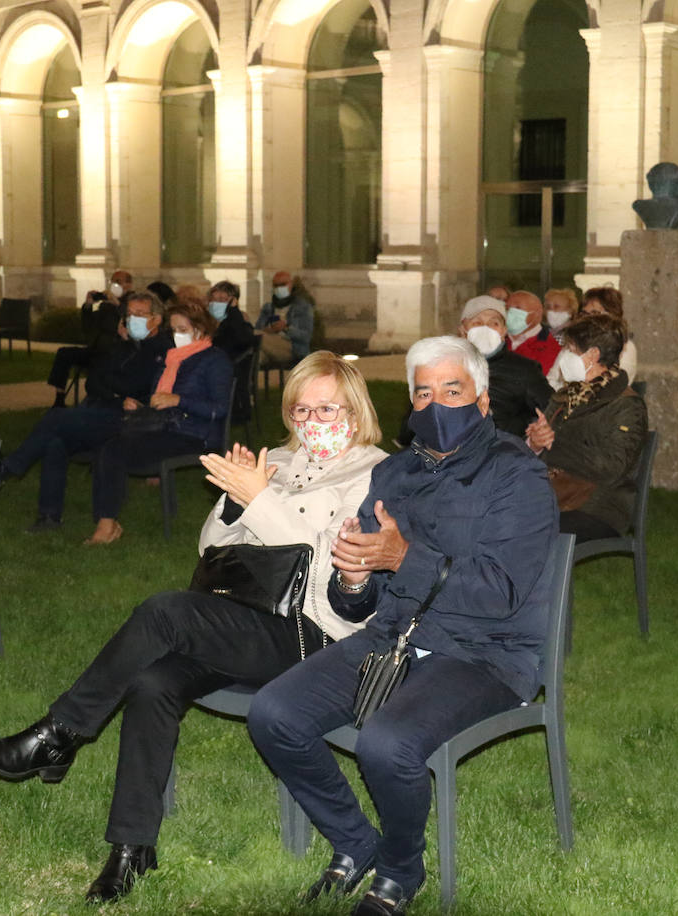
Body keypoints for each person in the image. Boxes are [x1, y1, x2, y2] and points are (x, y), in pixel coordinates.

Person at [0, 352, 388, 904]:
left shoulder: (378, 474)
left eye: (325, 409)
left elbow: (326, 558)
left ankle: (59, 734)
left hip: (313, 636)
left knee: (167, 611)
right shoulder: (281, 461)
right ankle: (131, 849)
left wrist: (259, 497)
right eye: (300, 410)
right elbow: (211, 548)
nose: (311, 422)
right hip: (243, 620)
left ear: (354, 412)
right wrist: (239, 504)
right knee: (153, 681)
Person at [246, 335, 558, 916]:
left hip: (486, 654)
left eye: (453, 390)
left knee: (387, 744)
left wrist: (400, 557)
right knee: (274, 714)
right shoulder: (393, 473)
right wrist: (358, 580)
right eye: (423, 393)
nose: (436, 405)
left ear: (483, 401)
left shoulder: (518, 476)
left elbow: (501, 593)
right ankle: (354, 839)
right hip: (391, 639)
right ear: (411, 406)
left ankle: (397, 871)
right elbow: (355, 602)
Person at [0, 292, 171, 533]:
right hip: (103, 409)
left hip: (129, 420)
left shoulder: (161, 350)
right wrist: (117, 389)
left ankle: (9, 467)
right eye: (129, 314)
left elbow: (137, 385)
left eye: (140, 315)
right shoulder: (121, 345)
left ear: (157, 319)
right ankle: (49, 517)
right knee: (56, 441)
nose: (133, 320)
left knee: (57, 418)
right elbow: (93, 382)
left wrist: (115, 390)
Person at [86, 301, 234, 544]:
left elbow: (220, 409)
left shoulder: (215, 360)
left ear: (201, 328)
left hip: (195, 435)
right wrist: (143, 405)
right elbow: (160, 397)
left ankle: (106, 526)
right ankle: (106, 519)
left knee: (114, 451)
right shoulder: (173, 358)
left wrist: (179, 400)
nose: (177, 335)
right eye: (174, 329)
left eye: (183, 329)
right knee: (107, 445)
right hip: (166, 426)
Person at [525, 313, 648, 540]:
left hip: (599, 505)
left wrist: (555, 443)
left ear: (593, 355)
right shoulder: (567, 394)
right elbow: (541, 446)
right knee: (494, 515)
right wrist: (535, 442)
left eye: (571, 350)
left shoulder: (626, 405)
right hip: (555, 492)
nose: (565, 356)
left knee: (522, 530)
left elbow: (612, 468)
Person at [436, 294, 550, 439]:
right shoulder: (440, 369)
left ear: (504, 331)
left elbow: (551, 410)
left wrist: (520, 426)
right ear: (462, 330)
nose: (485, 329)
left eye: (494, 323)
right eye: (477, 323)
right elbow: (415, 426)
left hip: (502, 453)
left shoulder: (525, 370)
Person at [48, 269, 132, 407]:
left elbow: (129, 317)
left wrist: (116, 303)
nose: (114, 285)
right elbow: (88, 327)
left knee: (100, 365)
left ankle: (95, 401)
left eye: (118, 282)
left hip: (114, 352)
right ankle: (59, 397)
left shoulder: (131, 301)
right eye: (112, 281)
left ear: (128, 285)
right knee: (64, 353)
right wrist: (88, 305)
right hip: (95, 349)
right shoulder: (106, 305)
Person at [563, 285, 637, 386]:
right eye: (584, 313)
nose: (587, 319)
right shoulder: (574, 343)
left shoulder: (626, 347)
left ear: (611, 315)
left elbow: (612, 385)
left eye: (594, 313)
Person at [257, 270, 314, 367]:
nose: (279, 288)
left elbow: (306, 337)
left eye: (283, 284)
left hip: (292, 348)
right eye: (276, 285)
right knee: (255, 355)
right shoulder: (268, 307)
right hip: (269, 344)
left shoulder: (303, 307)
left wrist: (286, 328)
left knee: (256, 338)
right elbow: (258, 328)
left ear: (290, 285)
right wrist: (268, 329)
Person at [505, 289, 561, 374]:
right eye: (507, 308)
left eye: (517, 308)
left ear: (537, 314)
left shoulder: (550, 347)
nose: (510, 313)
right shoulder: (498, 340)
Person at [207, 280, 255, 361]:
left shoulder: (240, 324)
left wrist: (234, 311)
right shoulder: (206, 323)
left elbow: (241, 341)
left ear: (233, 302)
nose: (216, 303)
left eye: (222, 300)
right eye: (213, 300)